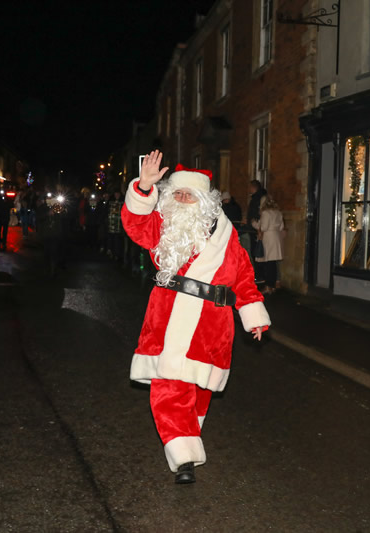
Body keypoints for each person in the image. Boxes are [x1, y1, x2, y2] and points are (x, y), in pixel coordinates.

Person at [121, 150, 271, 485]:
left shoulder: (227, 236)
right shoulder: (163, 224)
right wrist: (143, 188)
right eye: (177, 193)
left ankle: (187, 433)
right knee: (170, 387)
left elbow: (244, 276)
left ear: (204, 198)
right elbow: (135, 225)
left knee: (198, 391)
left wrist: (253, 315)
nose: (183, 198)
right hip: (167, 319)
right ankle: (184, 457)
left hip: (211, 326)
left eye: (189, 193)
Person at [252, 195, 285, 294]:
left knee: (267, 264)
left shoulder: (265, 213)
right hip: (276, 238)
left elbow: (264, 227)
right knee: (273, 264)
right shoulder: (278, 213)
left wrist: (254, 223)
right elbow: (281, 227)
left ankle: (268, 286)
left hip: (268, 239)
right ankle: (272, 285)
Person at [246, 179, 267, 280]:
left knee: (257, 253)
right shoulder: (257, 198)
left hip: (255, 229)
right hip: (254, 228)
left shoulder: (257, 199)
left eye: (250, 187)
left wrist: (253, 223)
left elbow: (256, 214)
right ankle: (259, 275)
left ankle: (259, 275)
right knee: (257, 253)